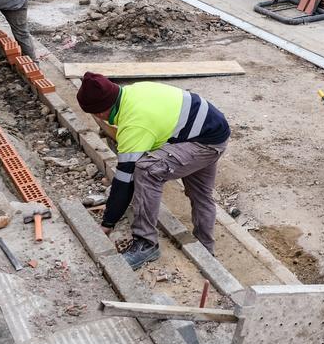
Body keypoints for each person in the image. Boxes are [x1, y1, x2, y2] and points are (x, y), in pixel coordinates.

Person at [76, 72, 231, 269]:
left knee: (147, 171)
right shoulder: (131, 92)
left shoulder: (134, 123)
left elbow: (125, 179)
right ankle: (205, 250)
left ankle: (146, 243)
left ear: (98, 112)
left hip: (203, 142)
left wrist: (108, 223)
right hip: (209, 130)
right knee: (200, 193)